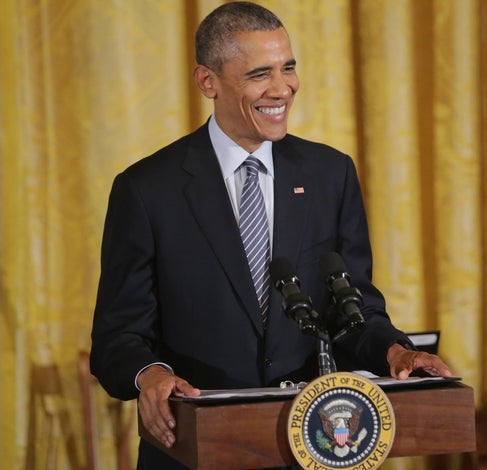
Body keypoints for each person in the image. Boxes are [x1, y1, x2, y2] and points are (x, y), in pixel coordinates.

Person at [90, 2, 452, 469]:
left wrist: (397, 350)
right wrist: (151, 374)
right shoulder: (146, 190)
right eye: (260, 74)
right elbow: (118, 335)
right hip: (195, 449)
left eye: (289, 68)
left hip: (311, 446)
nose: (282, 89)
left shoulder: (330, 174)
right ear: (208, 82)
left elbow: (354, 308)